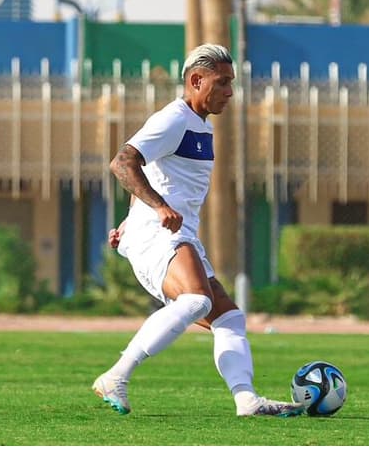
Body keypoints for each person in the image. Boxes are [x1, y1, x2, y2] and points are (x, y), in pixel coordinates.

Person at [92, 43, 305, 417]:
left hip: (172, 233)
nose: (229, 92)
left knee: (229, 318)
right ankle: (116, 375)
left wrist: (129, 222)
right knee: (196, 301)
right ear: (195, 80)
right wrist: (155, 210)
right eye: (222, 83)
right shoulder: (173, 119)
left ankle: (247, 400)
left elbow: (159, 175)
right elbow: (123, 163)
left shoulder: (199, 125)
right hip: (162, 234)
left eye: (230, 83)